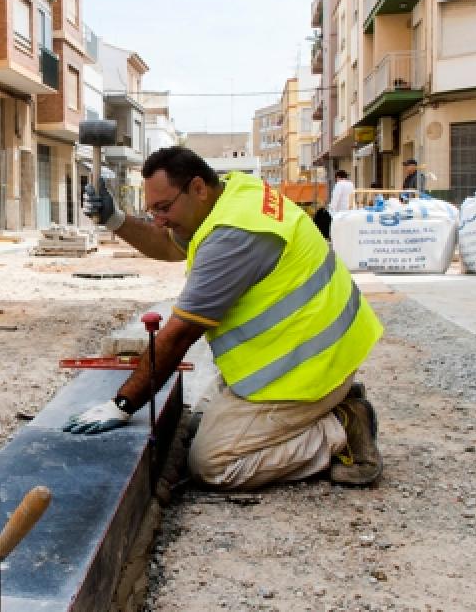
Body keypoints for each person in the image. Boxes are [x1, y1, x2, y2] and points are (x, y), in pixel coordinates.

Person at [68, 147, 385, 490]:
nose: (158, 219)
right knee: (196, 424)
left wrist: (122, 404)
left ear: (198, 188)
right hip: (316, 353)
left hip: (308, 372)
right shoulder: (234, 194)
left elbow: (178, 335)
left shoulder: (232, 236)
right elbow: (168, 242)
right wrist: (116, 219)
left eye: (163, 208)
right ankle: (333, 408)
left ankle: (341, 428)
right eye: (152, 210)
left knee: (211, 462)